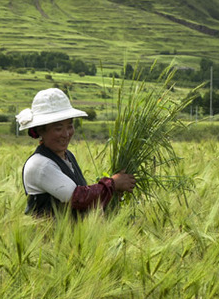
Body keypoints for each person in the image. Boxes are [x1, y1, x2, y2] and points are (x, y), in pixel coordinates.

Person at [17, 88, 136, 218]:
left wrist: (111, 195)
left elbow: (86, 202)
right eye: (58, 128)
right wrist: (112, 184)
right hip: (51, 237)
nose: (66, 134)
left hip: (73, 237)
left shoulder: (68, 157)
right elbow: (79, 198)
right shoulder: (40, 165)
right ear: (40, 130)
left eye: (69, 126)